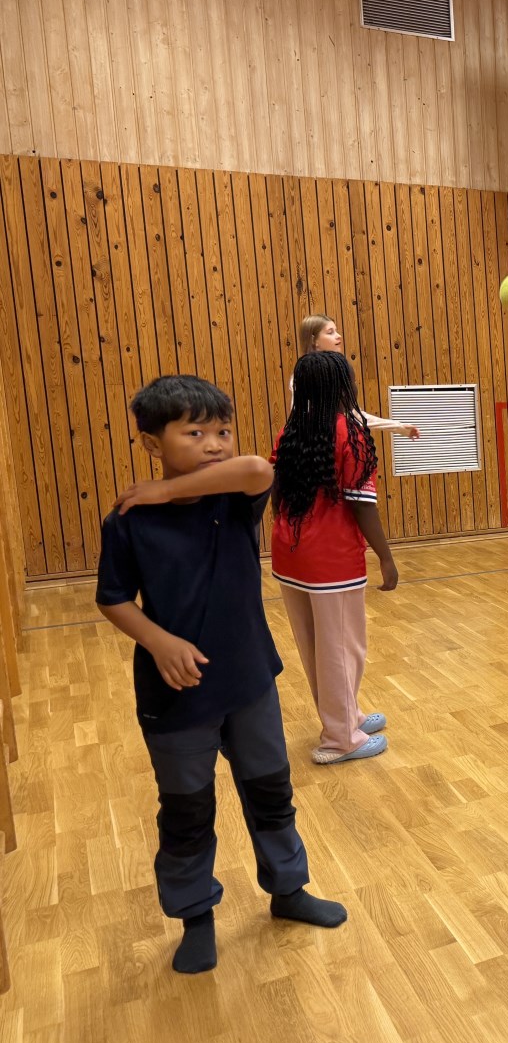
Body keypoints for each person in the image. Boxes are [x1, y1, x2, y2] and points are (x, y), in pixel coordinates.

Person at [96, 375, 346, 974]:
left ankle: (288, 890)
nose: (214, 443)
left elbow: (258, 468)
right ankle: (196, 917)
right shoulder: (127, 522)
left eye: (222, 431)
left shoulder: (234, 498)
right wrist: (158, 642)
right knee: (186, 810)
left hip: (249, 678)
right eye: (194, 433)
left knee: (271, 792)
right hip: (176, 693)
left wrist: (164, 490)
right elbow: (113, 599)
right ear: (152, 443)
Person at [272, 352, 398, 765]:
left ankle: (345, 717)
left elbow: (275, 492)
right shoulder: (351, 431)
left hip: (290, 555)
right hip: (332, 561)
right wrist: (385, 556)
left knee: (316, 647)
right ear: (343, 385)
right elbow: (362, 504)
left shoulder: (291, 430)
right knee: (343, 648)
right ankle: (340, 739)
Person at [292, 315, 420, 439]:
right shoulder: (301, 378)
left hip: (339, 441)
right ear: (314, 341)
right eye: (330, 332)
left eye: (336, 331)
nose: (338, 336)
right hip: (318, 445)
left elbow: (354, 415)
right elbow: (299, 419)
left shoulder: (341, 370)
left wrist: (399, 427)